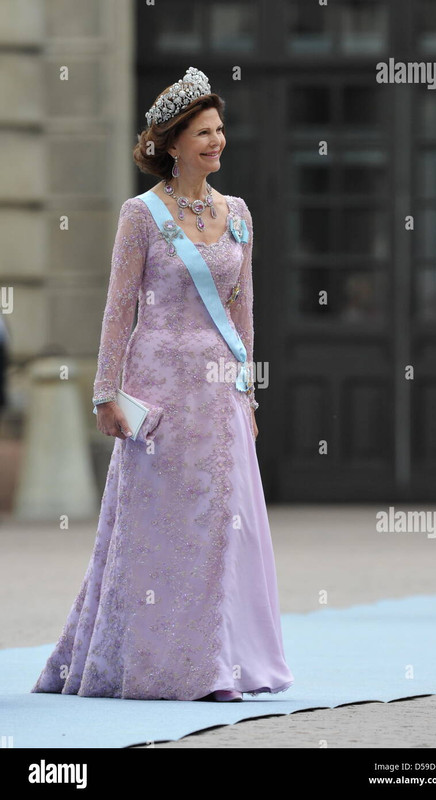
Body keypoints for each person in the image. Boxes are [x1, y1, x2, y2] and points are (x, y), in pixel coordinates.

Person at [31, 67, 294, 702]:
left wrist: (248, 394)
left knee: (223, 526)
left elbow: (242, 312)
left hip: (220, 393)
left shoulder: (240, 215)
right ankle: (157, 665)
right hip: (159, 394)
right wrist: (105, 392)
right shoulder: (140, 215)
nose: (216, 141)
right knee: (160, 529)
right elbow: (119, 308)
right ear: (171, 143)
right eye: (203, 132)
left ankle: (222, 662)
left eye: (220, 130)